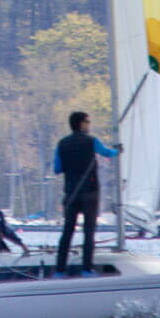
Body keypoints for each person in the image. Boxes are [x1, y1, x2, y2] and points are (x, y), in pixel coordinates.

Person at [52, 110, 118, 273]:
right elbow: (107, 153)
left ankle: (60, 270)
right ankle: (86, 270)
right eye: (88, 122)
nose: (89, 125)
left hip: (71, 194)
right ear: (81, 124)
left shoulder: (61, 144)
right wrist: (119, 150)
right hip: (90, 194)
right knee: (89, 232)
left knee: (68, 232)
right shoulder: (92, 141)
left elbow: (57, 169)